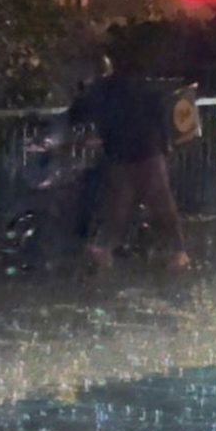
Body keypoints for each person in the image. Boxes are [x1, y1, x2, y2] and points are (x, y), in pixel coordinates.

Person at [68, 53, 190, 271]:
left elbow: (77, 113)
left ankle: (105, 250)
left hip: (121, 154)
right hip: (147, 151)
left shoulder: (102, 89)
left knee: (117, 205)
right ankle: (177, 252)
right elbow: (161, 114)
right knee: (161, 203)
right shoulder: (144, 87)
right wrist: (165, 145)